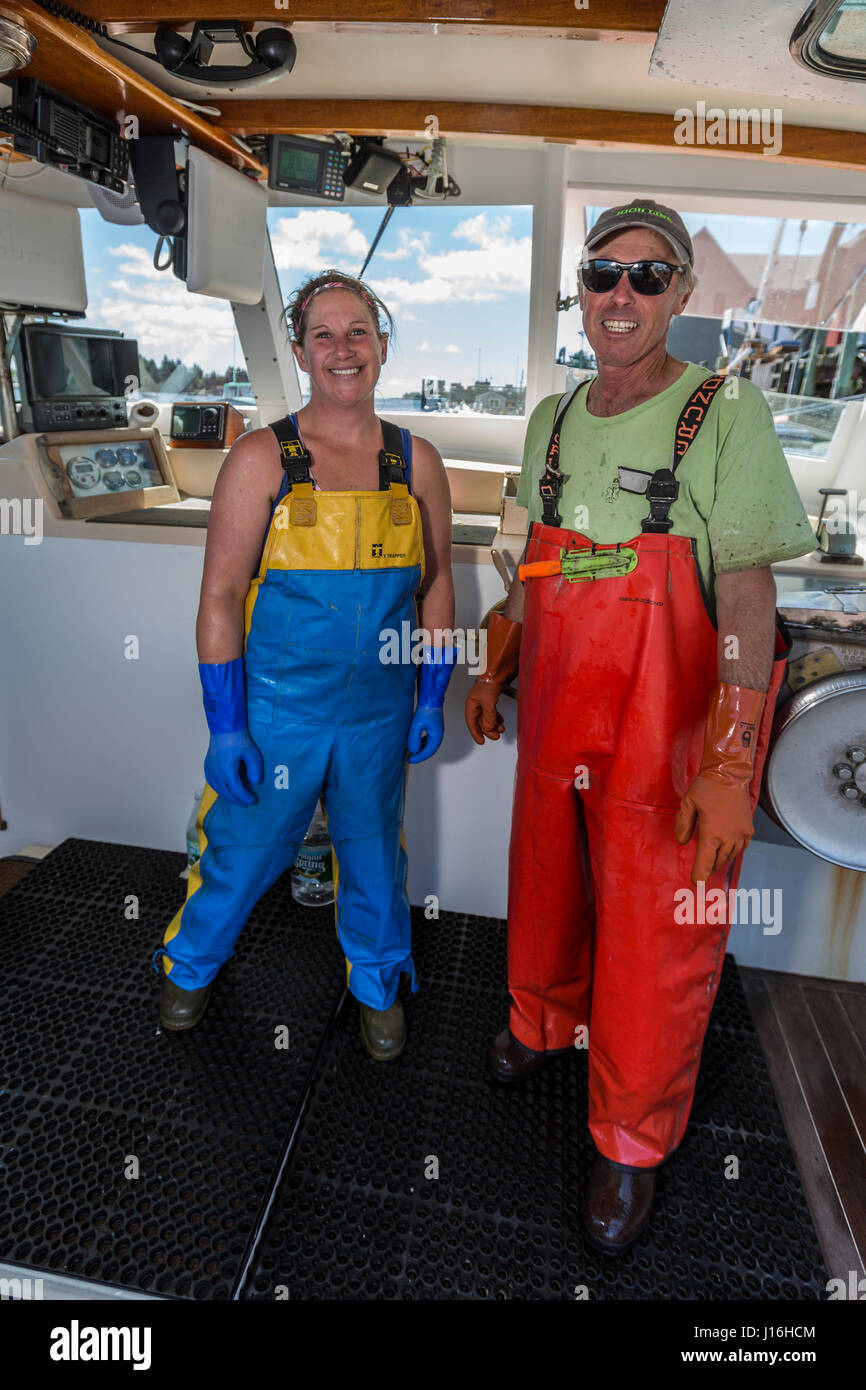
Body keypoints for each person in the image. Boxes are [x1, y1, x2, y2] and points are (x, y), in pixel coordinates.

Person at [465, 200, 815, 1253]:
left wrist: (728, 757)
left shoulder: (723, 411)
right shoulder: (552, 418)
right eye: (602, 272)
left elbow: (748, 596)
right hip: (561, 703)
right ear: (580, 285)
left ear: (679, 294)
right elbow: (536, 557)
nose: (620, 295)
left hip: (666, 727)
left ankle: (627, 1139)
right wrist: (500, 653)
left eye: (648, 277)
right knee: (544, 879)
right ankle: (539, 1020)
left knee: (656, 929)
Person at [156, 269, 456, 1061]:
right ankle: (189, 968)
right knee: (241, 857)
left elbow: (439, 583)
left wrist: (431, 695)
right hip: (277, 714)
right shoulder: (261, 458)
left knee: (372, 861)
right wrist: (226, 727)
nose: (342, 349)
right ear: (297, 351)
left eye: (357, 331)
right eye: (323, 335)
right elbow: (219, 596)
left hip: (379, 715)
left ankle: (379, 983)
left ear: (382, 346)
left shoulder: (415, 461)